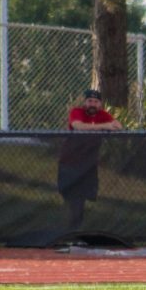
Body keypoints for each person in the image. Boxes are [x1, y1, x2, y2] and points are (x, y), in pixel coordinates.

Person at [57, 89, 123, 230]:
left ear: (100, 104)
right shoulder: (77, 112)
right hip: (70, 162)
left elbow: (118, 126)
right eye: (90, 101)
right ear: (85, 102)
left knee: (82, 198)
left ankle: (76, 229)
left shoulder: (102, 115)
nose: (92, 104)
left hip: (88, 165)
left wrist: (107, 124)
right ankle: (68, 230)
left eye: (96, 101)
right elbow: (78, 126)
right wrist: (104, 126)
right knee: (72, 198)